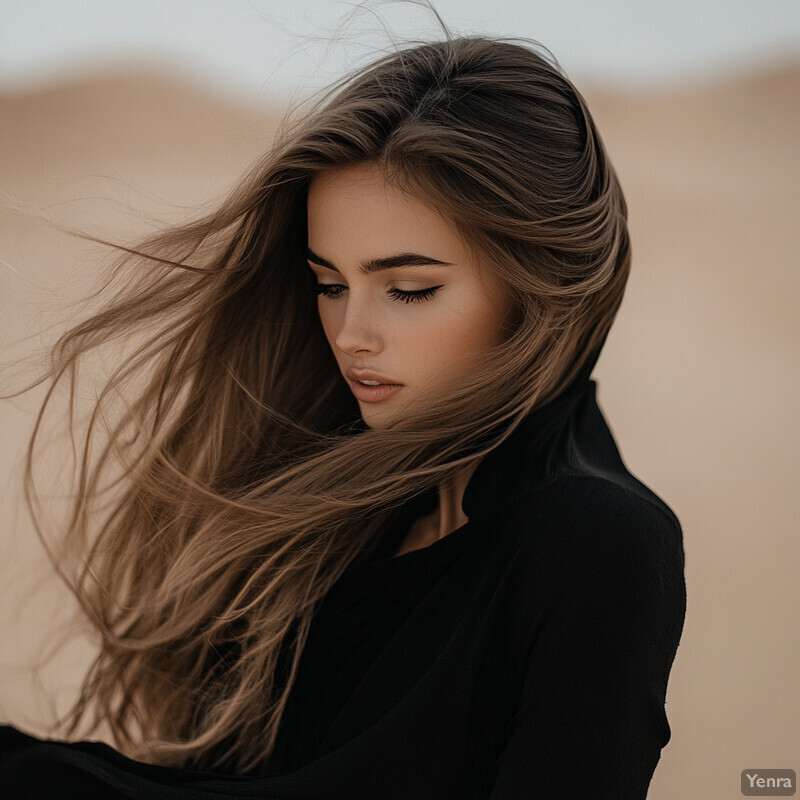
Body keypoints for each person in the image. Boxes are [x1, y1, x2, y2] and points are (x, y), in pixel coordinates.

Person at [0, 23, 687, 800]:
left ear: (538, 289)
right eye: (329, 284)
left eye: (408, 288)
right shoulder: (335, 506)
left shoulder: (601, 544)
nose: (351, 336)